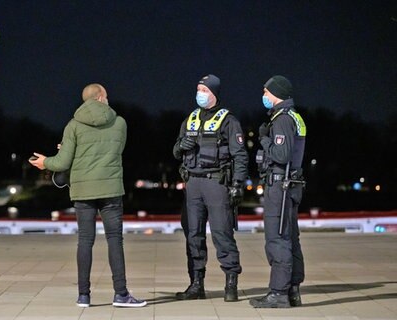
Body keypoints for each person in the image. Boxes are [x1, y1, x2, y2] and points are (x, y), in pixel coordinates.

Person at [29, 83, 147, 308]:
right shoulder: (120, 123)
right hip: (111, 189)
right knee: (115, 240)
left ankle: (84, 295)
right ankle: (120, 294)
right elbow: (114, 151)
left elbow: (63, 162)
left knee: (85, 240)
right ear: (101, 97)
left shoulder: (73, 125)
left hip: (83, 190)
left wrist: (45, 162)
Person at [173, 75, 248, 302]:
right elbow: (176, 151)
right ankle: (196, 285)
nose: (200, 93)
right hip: (192, 184)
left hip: (217, 183)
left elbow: (240, 155)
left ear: (214, 92)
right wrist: (180, 146)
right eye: (198, 89)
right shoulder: (190, 119)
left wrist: (237, 184)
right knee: (193, 235)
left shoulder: (228, 120)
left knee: (222, 233)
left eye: (204, 89)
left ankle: (231, 284)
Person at [249, 75, 306, 308]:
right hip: (291, 185)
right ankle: (292, 289)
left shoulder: (282, 119)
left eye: (266, 92)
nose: (263, 96)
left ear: (277, 93)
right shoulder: (295, 117)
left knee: (277, 239)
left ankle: (278, 293)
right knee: (291, 238)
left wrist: (264, 140)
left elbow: (281, 156)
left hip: (280, 186)